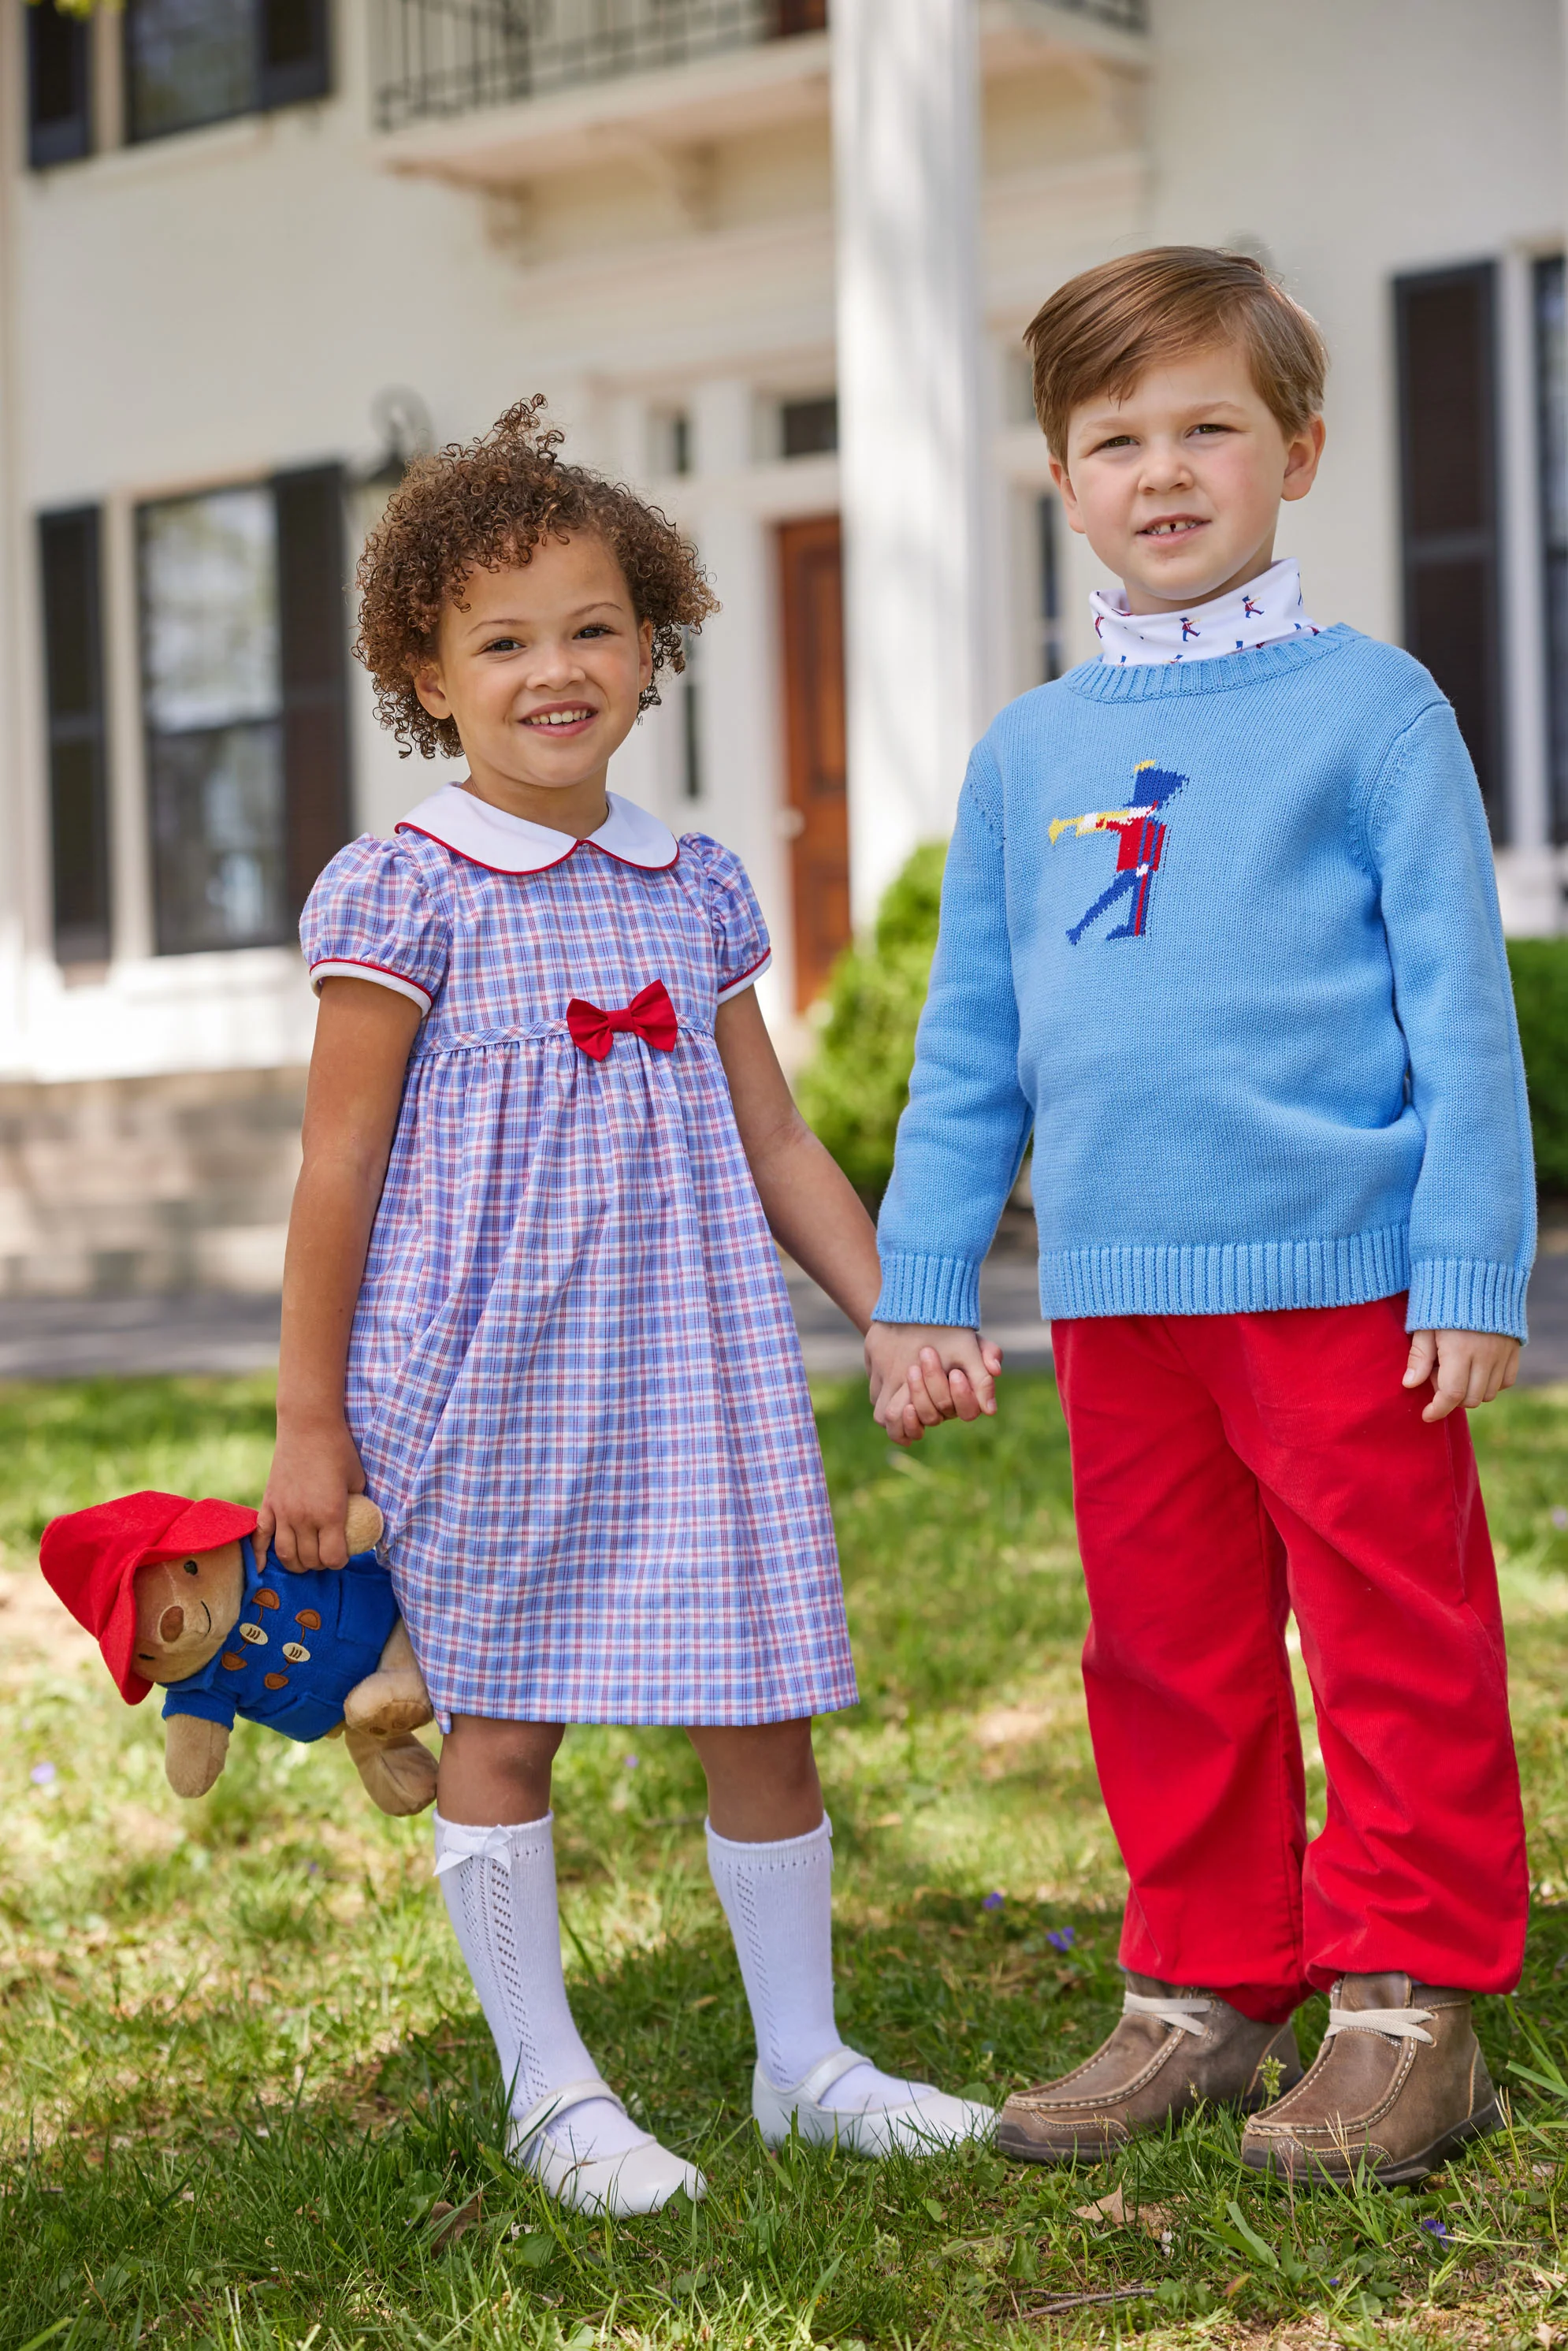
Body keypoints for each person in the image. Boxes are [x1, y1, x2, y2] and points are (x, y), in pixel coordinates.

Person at [260, 398, 990, 2218]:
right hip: (487, 1382)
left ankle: (802, 2061)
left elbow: (778, 1143)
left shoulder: (695, 886)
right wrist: (308, 1421)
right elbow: (333, 1177)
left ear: (650, 647)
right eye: (500, 642)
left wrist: (896, 1308)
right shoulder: (404, 891)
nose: (553, 668)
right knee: (501, 1724)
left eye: (591, 626)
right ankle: (546, 2082)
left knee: (761, 1705)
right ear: (426, 679)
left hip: (702, 1373)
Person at [864, 248, 1533, 2186]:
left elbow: (1456, 1012)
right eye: (1113, 439)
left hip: (1340, 1282)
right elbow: (968, 1039)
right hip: (1117, 1296)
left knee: (1389, 1630)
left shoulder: (1372, 709)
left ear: (1295, 451)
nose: (1162, 471)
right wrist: (922, 1281)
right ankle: (1201, 1987)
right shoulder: (1026, 753)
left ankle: (1409, 2001)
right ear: (1060, 479)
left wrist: (1469, 1260)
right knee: (1166, 1646)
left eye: (1206, 429)